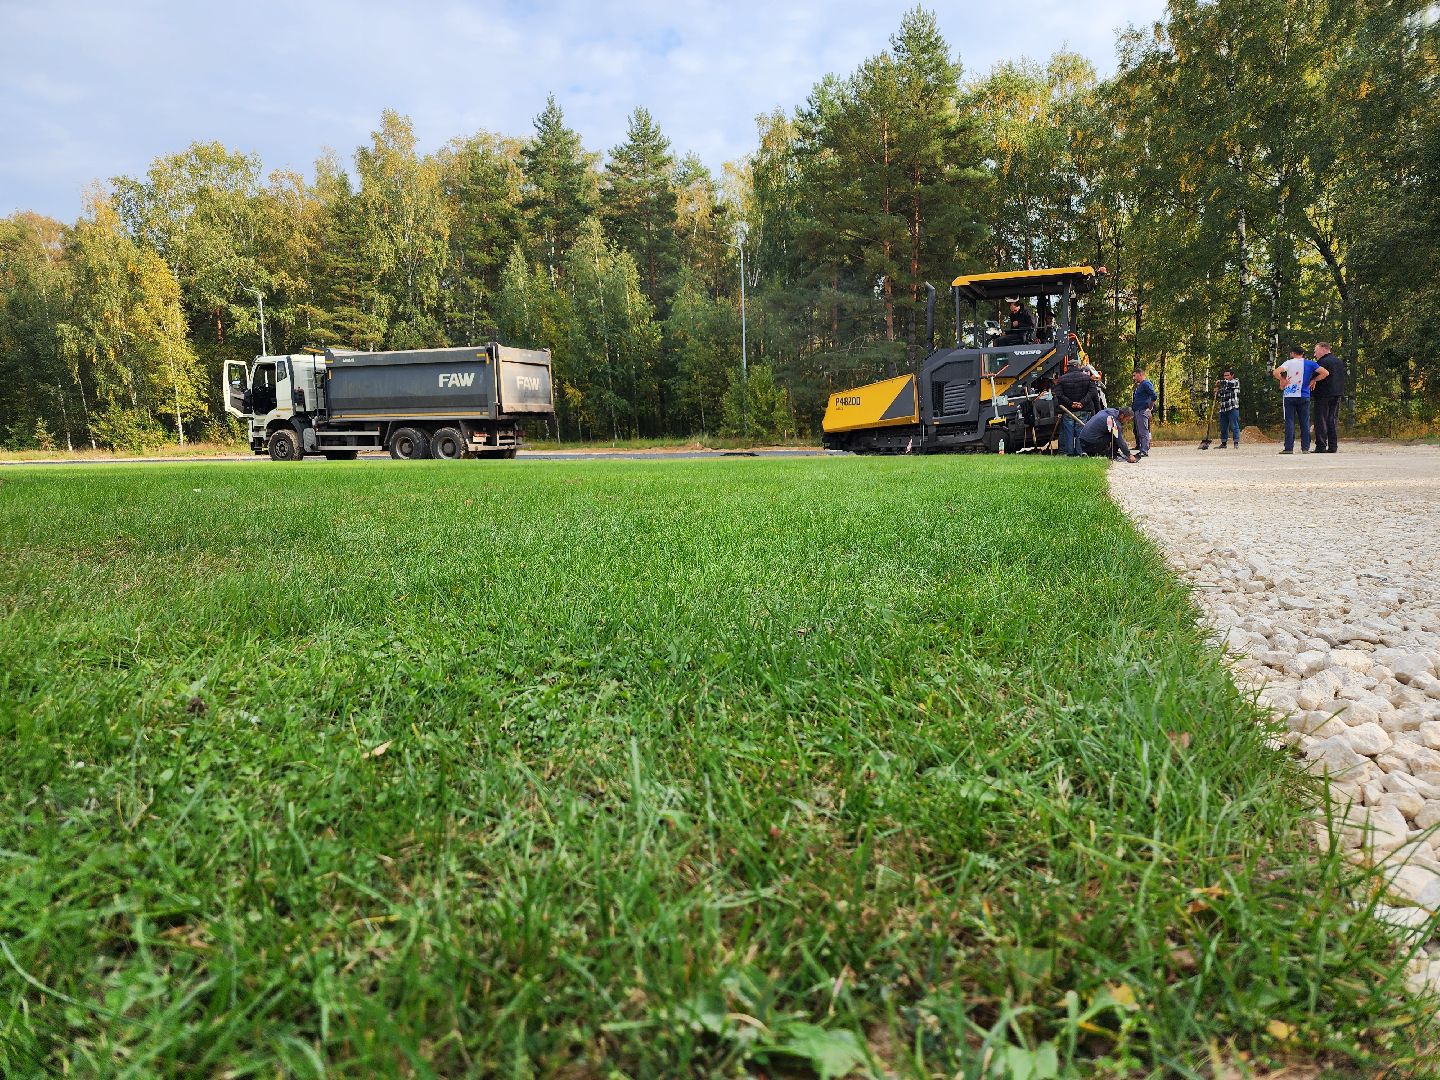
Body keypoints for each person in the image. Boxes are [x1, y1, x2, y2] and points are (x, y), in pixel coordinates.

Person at [1273, 345, 1327, 454]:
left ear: (1292, 353)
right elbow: (1325, 373)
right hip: (1304, 395)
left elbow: (1276, 372)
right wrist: (1314, 380)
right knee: (1304, 422)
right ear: (1303, 354)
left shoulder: (1288, 363)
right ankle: (1305, 448)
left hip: (1289, 395)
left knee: (1289, 421)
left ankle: (1288, 448)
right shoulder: (1310, 363)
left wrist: (1282, 379)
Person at [1055, 363, 1102, 457]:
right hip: (1083, 409)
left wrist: (1071, 403)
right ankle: (1080, 452)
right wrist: (1082, 403)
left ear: (1068, 367)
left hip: (1068, 410)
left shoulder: (1062, 379)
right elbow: (1092, 393)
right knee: (1081, 431)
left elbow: (1059, 394)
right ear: (1078, 366)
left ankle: (1069, 452)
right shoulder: (1087, 378)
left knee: (1068, 432)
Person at [1311, 342, 1344, 453]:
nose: (1315, 354)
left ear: (1323, 349)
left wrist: (1312, 380)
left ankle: (1321, 446)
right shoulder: (1339, 361)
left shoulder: (1322, 362)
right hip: (1337, 393)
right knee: (1332, 419)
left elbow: (1314, 375)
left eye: (1316, 351)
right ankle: (1333, 446)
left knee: (1321, 420)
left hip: (1323, 394)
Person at [1130, 368, 1157, 458]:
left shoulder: (1146, 384)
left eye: (1135, 375)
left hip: (1142, 410)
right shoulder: (1140, 385)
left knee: (1143, 431)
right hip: (1138, 411)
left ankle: (1144, 450)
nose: (1134, 378)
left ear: (1140, 374)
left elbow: (1154, 396)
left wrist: (1150, 408)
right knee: (1140, 431)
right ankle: (1142, 448)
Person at [1214, 368, 1241, 448]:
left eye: (1227, 375)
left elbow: (1231, 384)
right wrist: (1217, 392)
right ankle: (1224, 443)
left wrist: (1221, 381)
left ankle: (1236, 443)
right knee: (1223, 426)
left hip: (1232, 407)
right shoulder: (1224, 386)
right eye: (1224, 375)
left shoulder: (1236, 382)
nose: (1225, 377)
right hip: (1223, 408)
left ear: (1232, 375)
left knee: (1234, 425)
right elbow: (1221, 395)